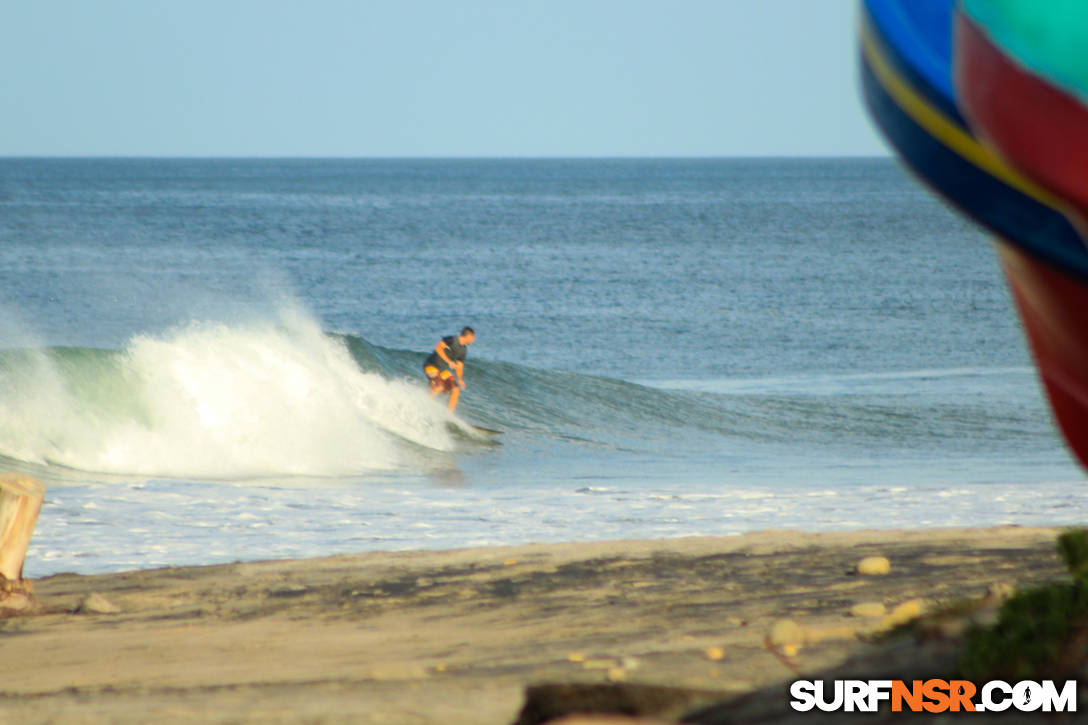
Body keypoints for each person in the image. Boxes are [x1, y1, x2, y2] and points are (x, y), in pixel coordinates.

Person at [422, 327, 475, 412]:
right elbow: (438, 348)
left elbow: (460, 365)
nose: (473, 340)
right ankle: (422, 404)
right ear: (468, 336)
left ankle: (449, 414)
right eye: (473, 338)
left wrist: (460, 379)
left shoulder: (463, 350)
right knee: (440, 386)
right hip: (430, 365)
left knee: (455, 389)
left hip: (442, 369)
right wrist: (449, 361)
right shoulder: (452, 339)